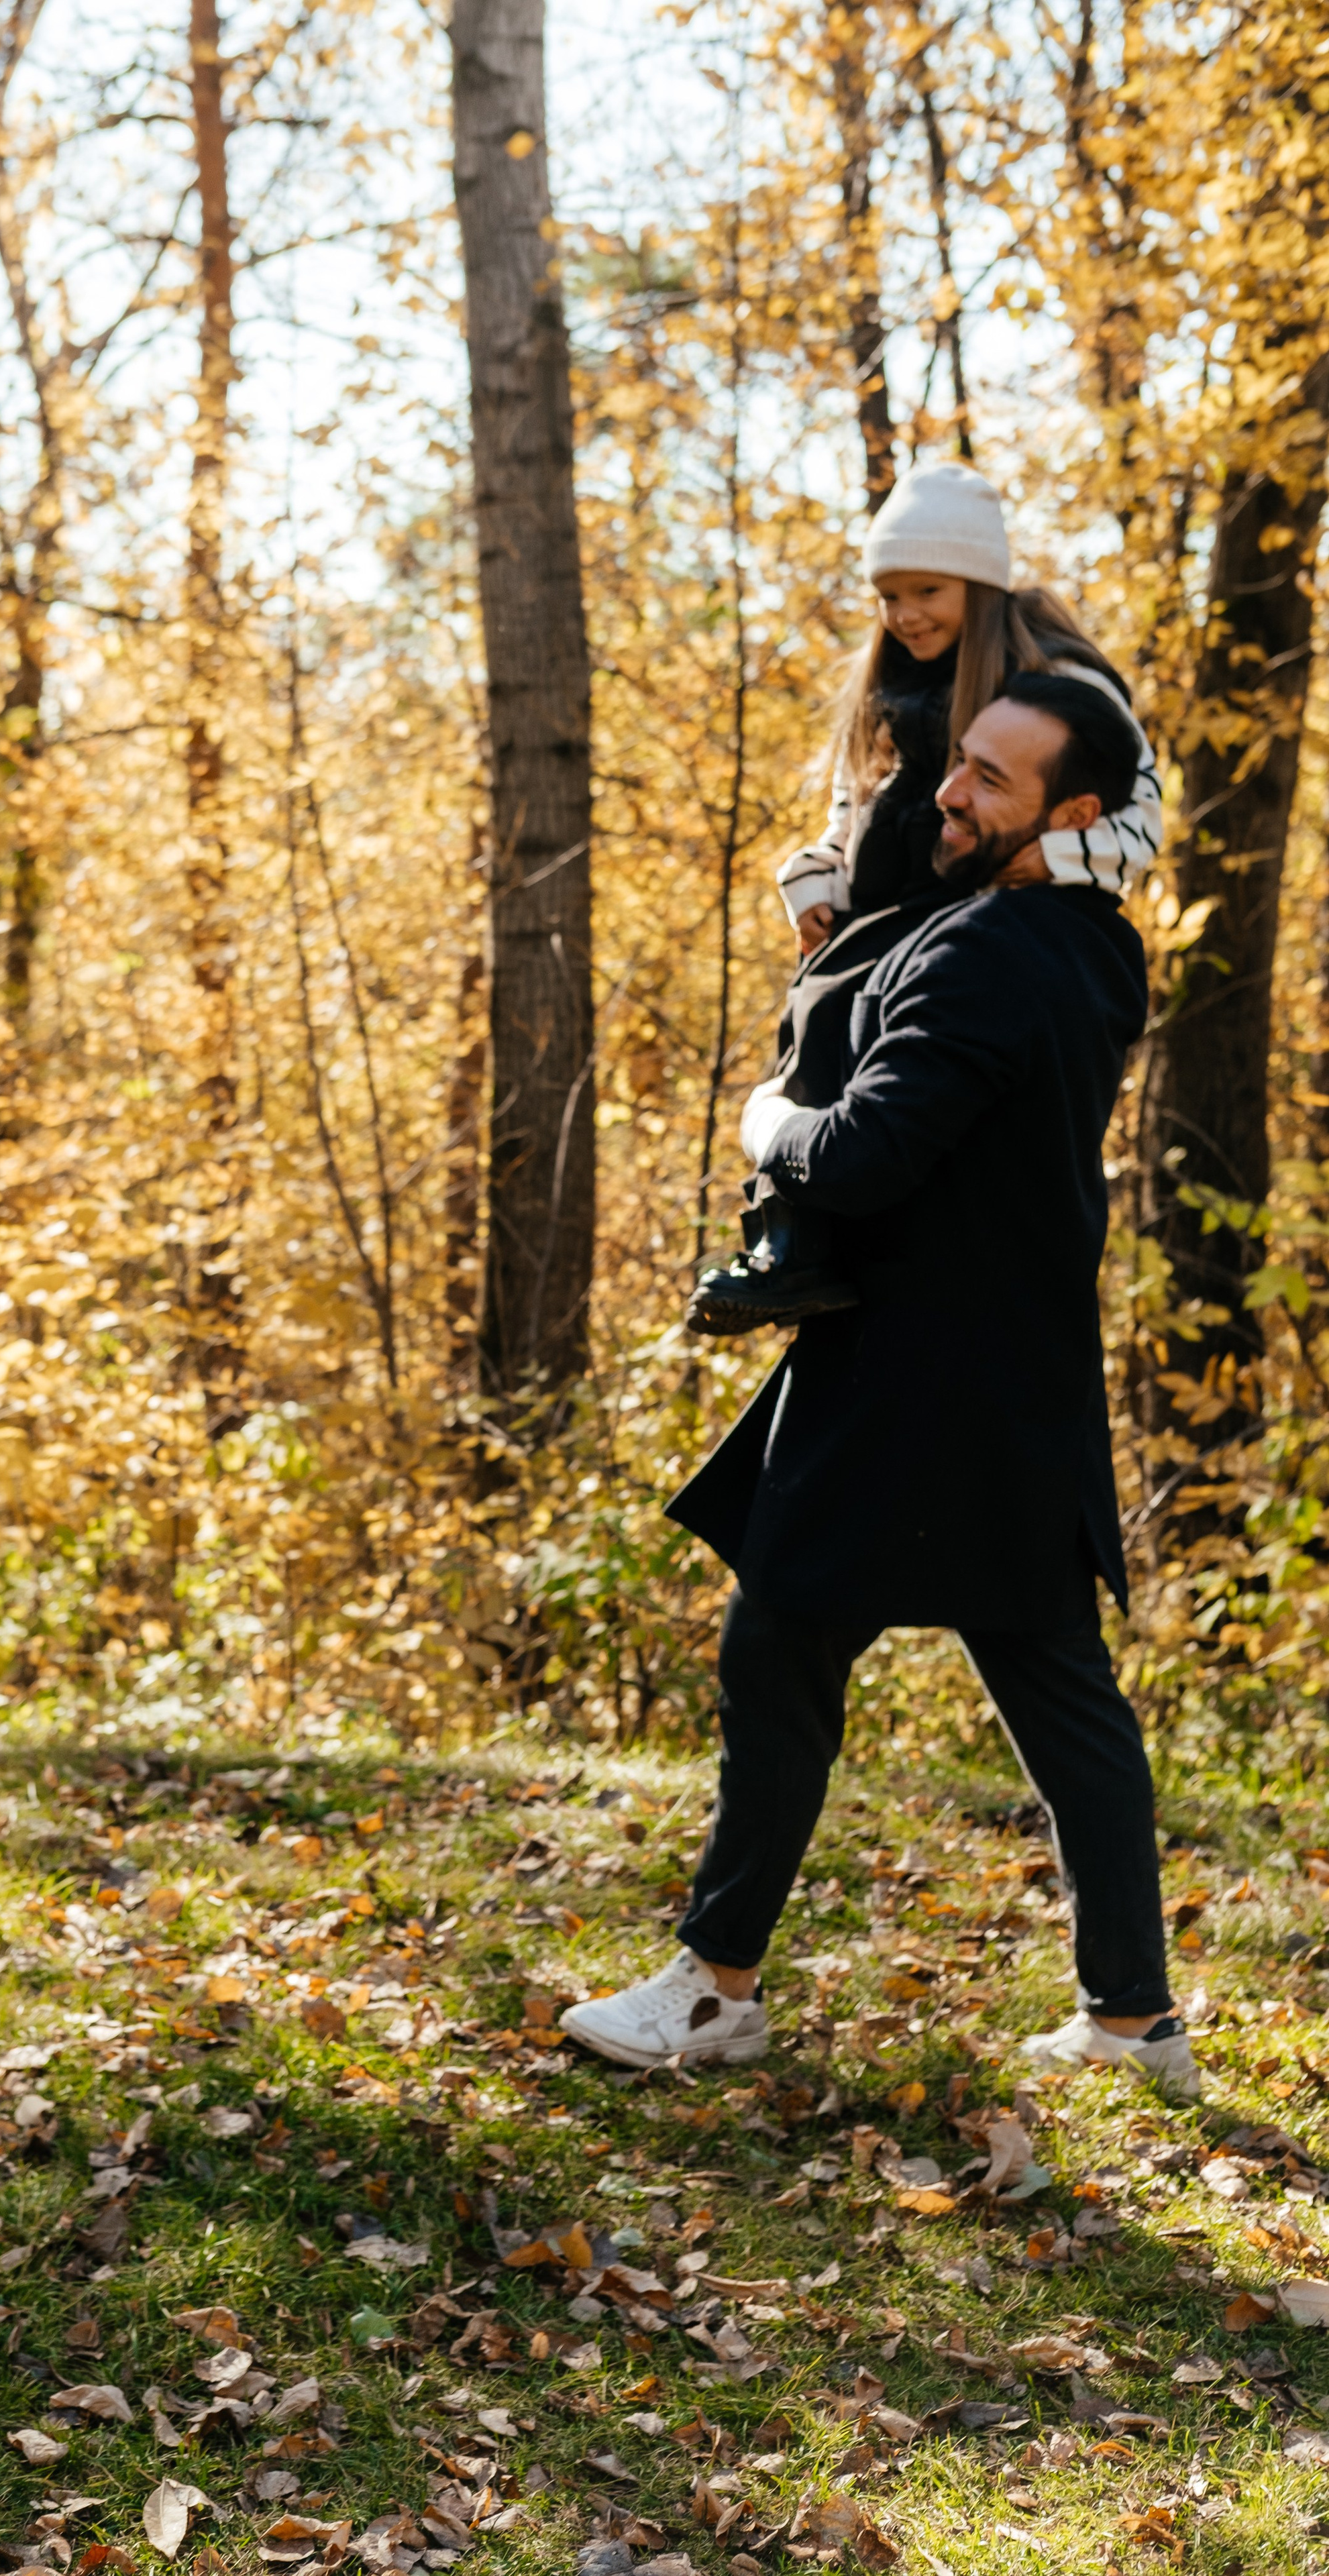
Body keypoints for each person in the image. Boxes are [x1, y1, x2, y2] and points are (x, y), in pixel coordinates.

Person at [562, 672, 1198, 2097]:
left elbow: (855, 1155)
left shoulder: (992, 954)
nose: (949, 793)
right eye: (956, 763)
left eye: (987, 779)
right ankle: (1130, 2017)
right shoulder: (1095, 946)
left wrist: (765, 1114)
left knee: (777, 1646)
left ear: (1073, 814)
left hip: (911, 1376)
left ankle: (717, 1991)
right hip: (1015, 1373)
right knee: (1054, 1684)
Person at [686, 459, 1161, 1334]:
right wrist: (820, 876)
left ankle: (813, 1222)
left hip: (966, 894)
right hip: (885, 892)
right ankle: (789, 1233)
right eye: (888, 596)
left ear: (978, 584)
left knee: (858, 1016)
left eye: (927, 591)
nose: (904, 616)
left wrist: (1047, 859)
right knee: (818, 1006)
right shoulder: (891, 680)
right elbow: (851, 799)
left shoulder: (1053, 679)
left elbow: (1139, 808)